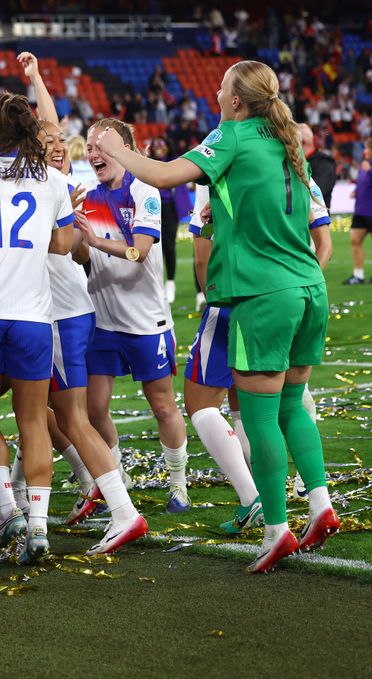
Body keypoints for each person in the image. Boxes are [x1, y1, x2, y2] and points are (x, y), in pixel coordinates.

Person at [94, 60, 340, 573]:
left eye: (223, 87)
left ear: (234, 101)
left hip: (262, 295)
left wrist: (116, 148)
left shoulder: (231, 135)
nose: (217, 93)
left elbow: (162, 176)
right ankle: (320, 507)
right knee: (294, 404)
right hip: (309, 290)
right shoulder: (287, 143)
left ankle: (276, 530)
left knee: (260, 415)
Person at [16, 52, 148, 553]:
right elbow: (47, 124)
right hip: (56, 312)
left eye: (56, 145)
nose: (53, 147)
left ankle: (121, 509)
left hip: (61, 313)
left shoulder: (55, 183)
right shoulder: (48, 179)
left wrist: (37, 84)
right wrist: (37, 80)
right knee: (48, 410)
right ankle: (72, 492)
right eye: (45, 143)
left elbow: (47, 127)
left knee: (69, 416)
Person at [0, 92, 74, 563]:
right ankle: (40, 527)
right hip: (33, 315)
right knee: (33, 419)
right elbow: (64, 244)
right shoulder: (54, 179)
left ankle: (8, 509)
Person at [185, 180, 332, 535]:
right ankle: (317, 499)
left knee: (206, 404)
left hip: (244, 299)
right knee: (285, 404)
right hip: (302, 294)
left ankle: (262, 508)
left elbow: (203, 256)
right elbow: (323, 243)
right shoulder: (298, 167)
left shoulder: (224, 163)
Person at [78, 118, 191, 514]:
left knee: (162, 405)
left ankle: (178, 481)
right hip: (103, 321)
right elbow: (82, 256)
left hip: (146, 322)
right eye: (89, 147)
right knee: (93, 409)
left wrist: (93, 240)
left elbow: (138, 251)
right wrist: (73, 238)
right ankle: (116, 473)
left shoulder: (145, 192)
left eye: (102, 146)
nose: (93, 154)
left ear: (124, 148)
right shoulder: (88, 197)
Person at [149, 136, 192, 304]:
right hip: (152, 208)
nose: (159, 147)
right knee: (154, 248)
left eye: (162, 144)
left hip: (169, 209)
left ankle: (171, 283)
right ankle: (157, 284)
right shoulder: (149, 164)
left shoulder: (174, 162)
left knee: (169, 246)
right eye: (155, 144)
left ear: (168, 146)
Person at [345, 139, 372, 285]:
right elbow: (362, 182)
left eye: (367, 149)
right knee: (355, 241)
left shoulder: (367, 167)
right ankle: (358, 275)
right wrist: (356, 191)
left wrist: (370, 171)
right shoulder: (364, 165)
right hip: (361, 211)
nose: (365, 152)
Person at [298, 123, 336, 207]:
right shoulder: (295, 162)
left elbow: (315, 195)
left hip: (317, 218)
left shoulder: (325, 164)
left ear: (303, 141)